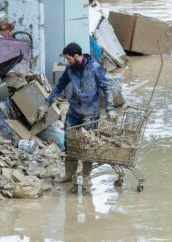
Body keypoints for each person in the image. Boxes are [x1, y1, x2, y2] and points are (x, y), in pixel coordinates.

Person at [36, 42, 117, 187]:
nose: (67, 61)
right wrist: (46, 104)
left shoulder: (95, 68)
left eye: (69, 59)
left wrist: (110, 108)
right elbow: (59, 86)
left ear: (76, 56)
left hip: (90, 113)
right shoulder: (70, 69)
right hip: (74, 111)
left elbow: (106, 87)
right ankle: (69, 174)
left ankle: (86, 177)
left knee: (87, 144)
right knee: (70, 143)